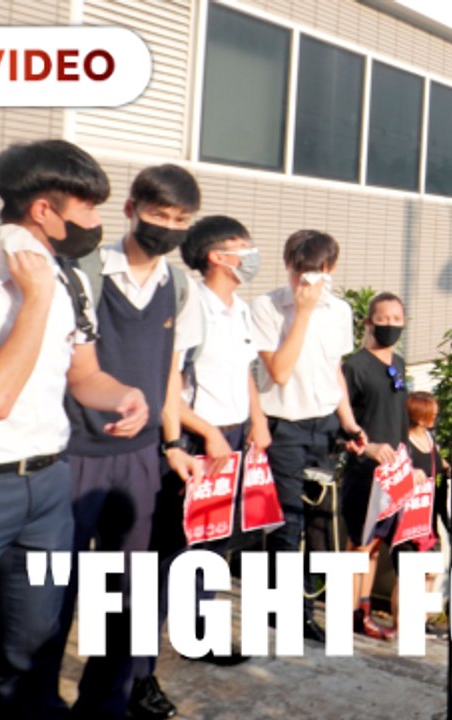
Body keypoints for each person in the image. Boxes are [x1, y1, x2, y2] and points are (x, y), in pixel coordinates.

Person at [0, 140, 150, 719]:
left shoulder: (71, 283)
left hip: (49, 490)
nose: (97, 222)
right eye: (88, 208)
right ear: (43, 210)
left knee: (34, 657)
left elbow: (85, 375)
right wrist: (36, 300)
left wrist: (123, 394)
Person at [38, 164, 206, 720]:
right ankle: (35, 704)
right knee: (51, 597)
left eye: (181, 220)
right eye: (159, 215)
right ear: (131, 209)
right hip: (72, 455)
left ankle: (103, 707)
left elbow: (169, 371)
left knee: (125, 598)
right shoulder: (82, 271)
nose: (169, 228)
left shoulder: (177, 285)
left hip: (138, 462)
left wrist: (172, 442)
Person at [130, 214, 271, 717]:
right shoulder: (194, 304)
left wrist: (257, 422)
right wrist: (204, 431)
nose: (252, 254)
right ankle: (137, 678)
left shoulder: (240, 310)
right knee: (168, 557)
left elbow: (248, 373)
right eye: (243, 246)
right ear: (217, 255)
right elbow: (166, 380)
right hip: (194, 441)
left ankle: (196, 635)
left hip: (233, 440)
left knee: (212, 549)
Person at [252, 230, 365, 644]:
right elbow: (279, 371)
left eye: (315, 271)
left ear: (329, 269)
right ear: (288, 266)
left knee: (321, 522)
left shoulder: (340, 310)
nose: (306, 280)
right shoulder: (267, 306)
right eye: (299, 270)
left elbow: (333, 370)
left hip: (325, 426)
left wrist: (350, 424)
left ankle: (306, 607)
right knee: (286, 523)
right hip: (283, 426)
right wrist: (301, 313)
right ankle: (287, 613)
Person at [341, 292, 409, 641]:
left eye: (397, 320)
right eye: (383, 320)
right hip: (364, 472)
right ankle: (349, 611)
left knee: (376, 545)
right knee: (358, 545)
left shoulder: (398, 363)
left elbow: (400, 417)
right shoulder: (354, 367)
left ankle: (363, 611)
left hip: (394, 474)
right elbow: (339, 421)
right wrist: (367, 449)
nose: (390, 326)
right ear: (368, 322)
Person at [397, 392, 444, 636]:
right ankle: (405, 623)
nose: (436, 415)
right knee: (409, 573)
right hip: (408, 514)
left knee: (431, 570)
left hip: (428, 513)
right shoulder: (403, 442)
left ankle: (422, 621)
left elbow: (440, 463)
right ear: (420, 415)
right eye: (432, 412)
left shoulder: (429, 438)